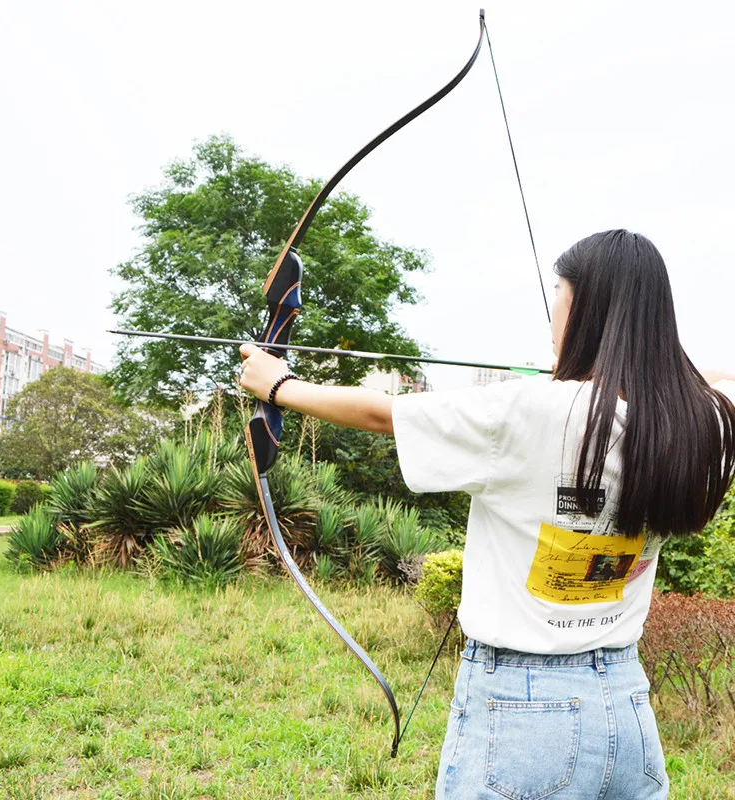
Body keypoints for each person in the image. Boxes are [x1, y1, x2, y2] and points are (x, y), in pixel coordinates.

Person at [238, 229, 735, 799]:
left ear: (583, 308)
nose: (553, 310)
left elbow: (384, 415)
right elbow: (721, 382)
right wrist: (655, 371)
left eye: (559, 294)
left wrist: (278, 384)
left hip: (523, 709)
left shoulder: (527, 411)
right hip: (626, 706)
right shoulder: (706, 425)